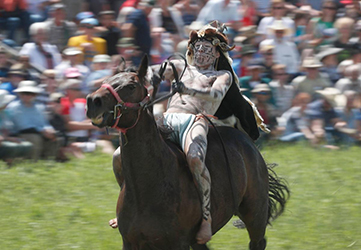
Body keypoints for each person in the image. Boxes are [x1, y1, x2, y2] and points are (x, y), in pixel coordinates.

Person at [110, 21, 265, 244]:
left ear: (216, 54)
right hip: (165, 119)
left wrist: (188, 89)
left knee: (194, 158)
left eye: (207, 49)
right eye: (198, 47)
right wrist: (138, 77)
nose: (201, 52)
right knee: (118, 156)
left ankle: (205, 219)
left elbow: (214, 95)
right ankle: (129, 206)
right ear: (191, 49)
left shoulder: (222, 75)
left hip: (196, 122)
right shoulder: (180, 67)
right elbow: (153, 71)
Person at [7, 80, 59, 161]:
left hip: (38, 131)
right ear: (19, 94)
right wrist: (42, 131)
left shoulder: (39, 106)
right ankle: (32, 162)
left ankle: (48, 161)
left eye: (31, 93)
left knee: (56, 137)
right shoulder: (14, 107)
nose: (27, 96)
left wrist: (49, 129)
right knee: (34, 138)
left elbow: (44, 122)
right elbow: (22, 125)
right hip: (20, 133)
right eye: (24, 93)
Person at [0, 89, 33, 165]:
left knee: (26, 144)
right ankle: (8, 164)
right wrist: (9, 138)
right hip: (3, 139)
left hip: (9, 136)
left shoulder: (7, 113)